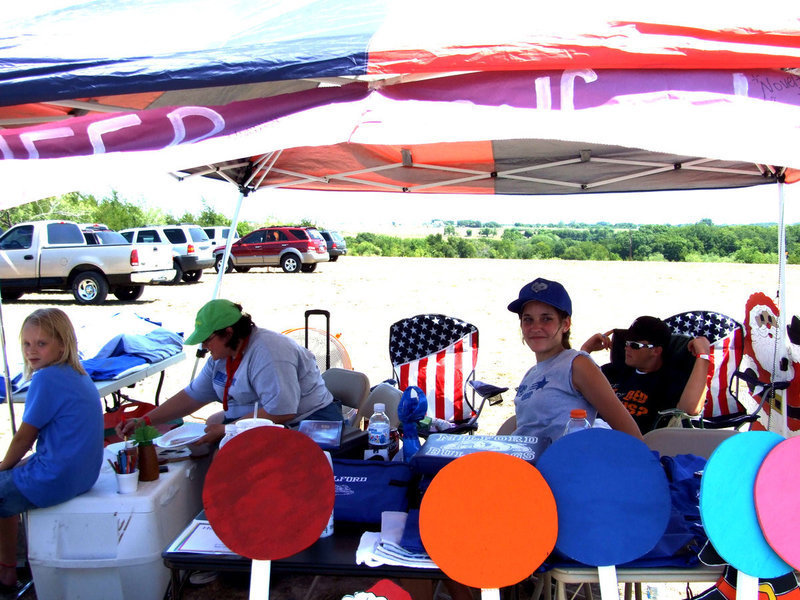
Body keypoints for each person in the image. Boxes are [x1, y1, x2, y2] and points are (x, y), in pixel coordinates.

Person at [117, 299, 342, 444]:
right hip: (269, 420)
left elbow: (281, 411)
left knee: (226, 448)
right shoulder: (222, 355)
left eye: (207, 339)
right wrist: (144, 420)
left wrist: (227, 430)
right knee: (211, 428)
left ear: (228, 332)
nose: (204, 346)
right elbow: (192, 396)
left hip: (310, 422)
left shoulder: (269, 352)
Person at [0, 309, 103, 590]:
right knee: (8, 483)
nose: (32, 351)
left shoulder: (46, 379)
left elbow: (24, 439)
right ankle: (8, 566)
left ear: (61, 343)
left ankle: (7, 571)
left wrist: (3, 466)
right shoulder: (76, 373)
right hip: (82, 474)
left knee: (2, 482)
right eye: (26, 344)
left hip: (55, 478)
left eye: (41, 344)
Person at [508, 277, 642, 443]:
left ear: (565, 324)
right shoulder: (531, 374)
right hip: (522, 462)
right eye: (528, 319)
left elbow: (631, 434)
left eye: (546, 318)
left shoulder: (577, 365)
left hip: (556, 465)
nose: (535, 327)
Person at [581, 316, 711, 433]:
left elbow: (690, 409)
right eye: (626, 342)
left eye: (634, 345)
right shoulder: (613, 371)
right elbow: (572, 386)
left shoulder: (670, 381)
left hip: (632, 444)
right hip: (590, 433)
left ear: (656, 351)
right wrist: (586, 349)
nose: (626, 348)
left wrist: (703, 356)